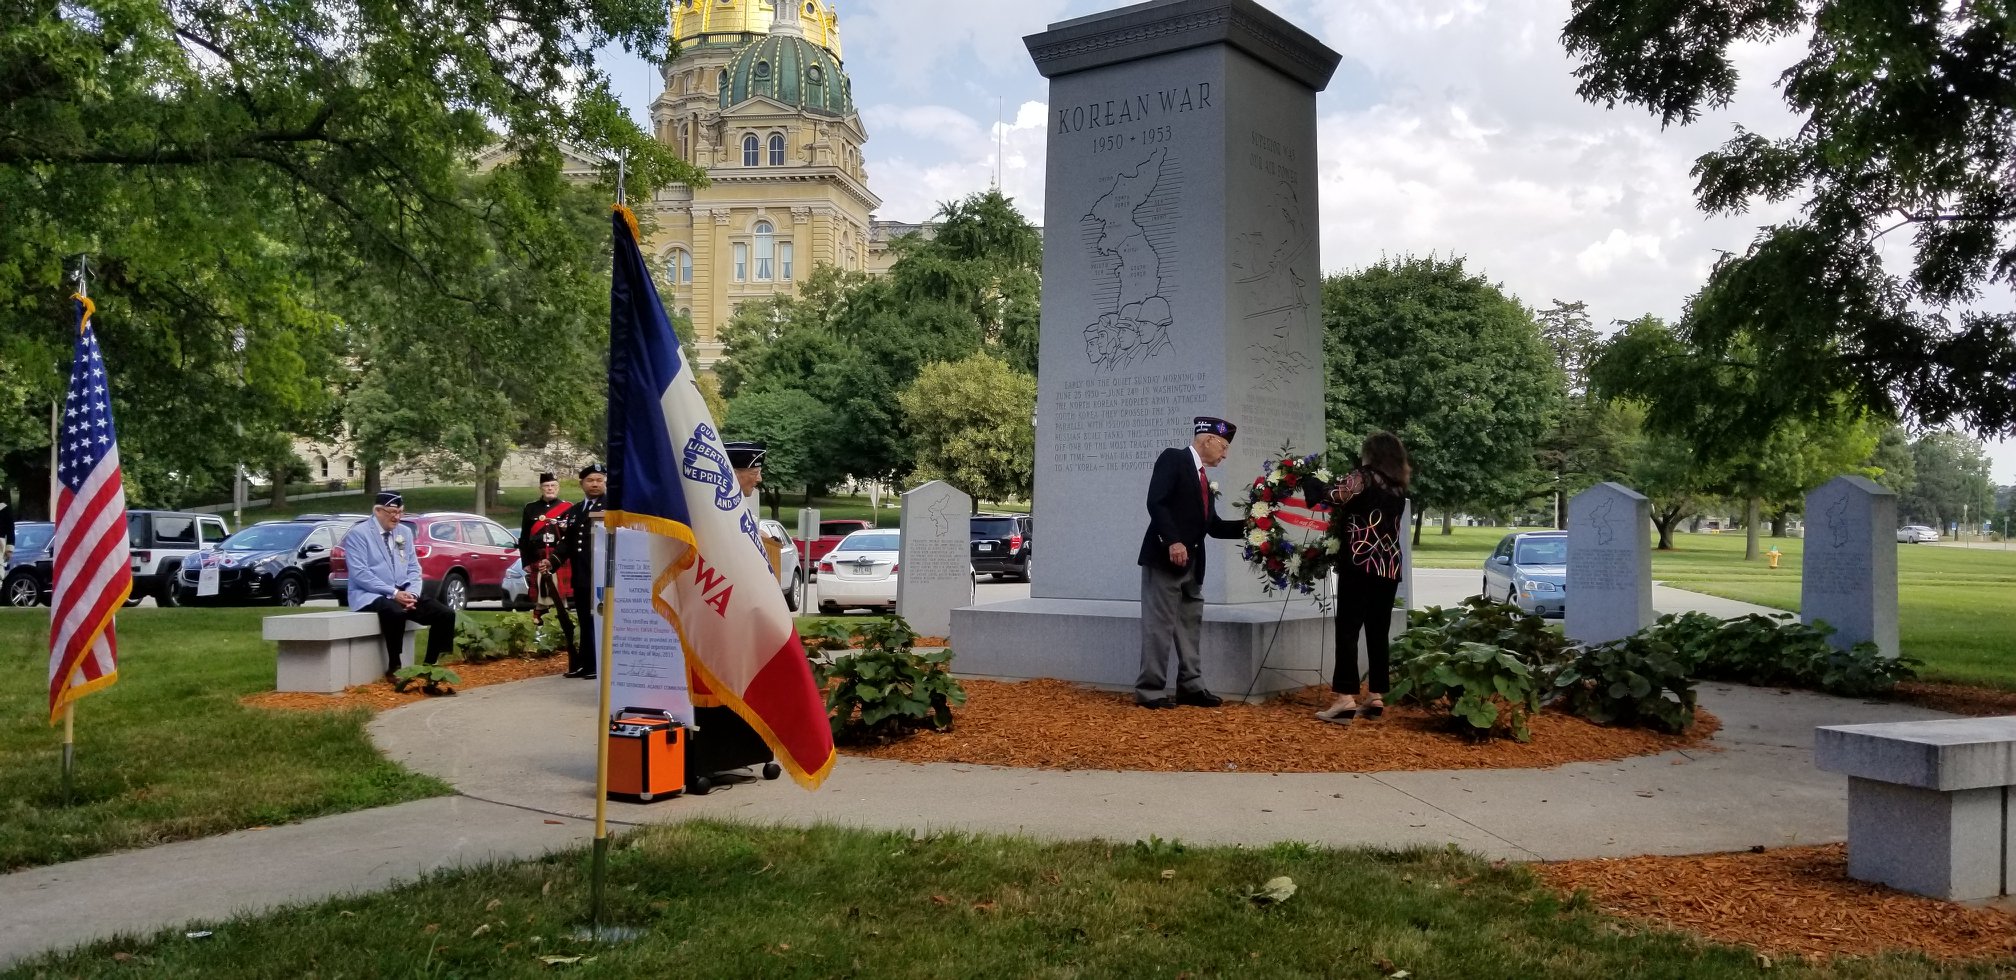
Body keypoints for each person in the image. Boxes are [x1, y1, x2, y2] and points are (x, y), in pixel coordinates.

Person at [1135, 416, 1246, 709]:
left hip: (1193, 566)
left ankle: (1191, 687)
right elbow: (1155, 501)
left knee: (1189, 627)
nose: (1225, 454)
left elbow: (1214, 526)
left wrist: (1254, 527)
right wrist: (1173, 540)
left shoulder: (1203, 480)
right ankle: (1150, 692)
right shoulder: (1174, 458)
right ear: (1207, 440)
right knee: (1158, 628)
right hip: (1164, 561)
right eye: (1222, 447)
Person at [1315, 432, 1412, 724]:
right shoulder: (1397, 486)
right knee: (1377, 631)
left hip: (1360, 561)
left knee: (1348, 629)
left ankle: (1345, 697)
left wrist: (1313, 483)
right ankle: (1376, 695)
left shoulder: (1364, 477)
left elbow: (1335, 496)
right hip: (1389, 566)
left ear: (1372, 453)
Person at [341, 491, 457, 680]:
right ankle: (394, 666)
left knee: (445, 614)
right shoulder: (358, 534)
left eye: (401, 512)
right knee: (395, 612)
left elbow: (413, 567)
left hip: (403, 592)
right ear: (378, 511)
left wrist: (412, 594)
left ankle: (430, 668)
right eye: (392, 512)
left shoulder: (404, 532)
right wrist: (394, 593)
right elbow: (360, 574)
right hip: (370, 593)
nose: (397, 517)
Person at [551, 463, 607, 679]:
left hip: (604, 575)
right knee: (585, 619)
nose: (595, 484)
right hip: (582, 576)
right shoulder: (575, 511)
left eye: (599, 480)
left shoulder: (613, 507)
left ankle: (599, 666)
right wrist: (553, 561)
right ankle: (586, 663)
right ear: (582, 483)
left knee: (601, 620)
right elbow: (568, 543)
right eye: (590, 480)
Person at [518, 472, 575, 658]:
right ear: (541, 488)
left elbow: (571, 537)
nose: (550, 489)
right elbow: (524, 537)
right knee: (541, 599)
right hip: (538, 557)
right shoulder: (531, 508)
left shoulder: (567, 508)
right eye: (546, 486)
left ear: (558, 488)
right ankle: (539, 636)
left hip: (559, 559)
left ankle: (563, 635)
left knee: (561, 600)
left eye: (553, 486)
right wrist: (526, 561)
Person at [726, 441, 789, 576]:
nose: (760, 479)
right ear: (733, 474)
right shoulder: (718, 510)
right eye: (755, 473)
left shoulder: (739, 508)